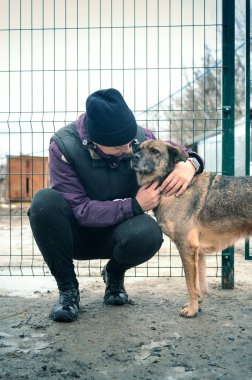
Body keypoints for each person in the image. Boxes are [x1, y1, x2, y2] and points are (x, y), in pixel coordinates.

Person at [28, 88, 204, 323]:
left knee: (149, 233)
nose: (130, 150)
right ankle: (68, 290)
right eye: (119, 147)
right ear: (95, 141)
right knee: (43, 203)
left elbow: (178, 152)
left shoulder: (139, 137)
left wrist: (191, 163)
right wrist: (135, 205)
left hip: (118, 234)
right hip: (76, 235)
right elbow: (80, 209)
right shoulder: (63, 146)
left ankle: (114, 275)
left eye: (131, 142)